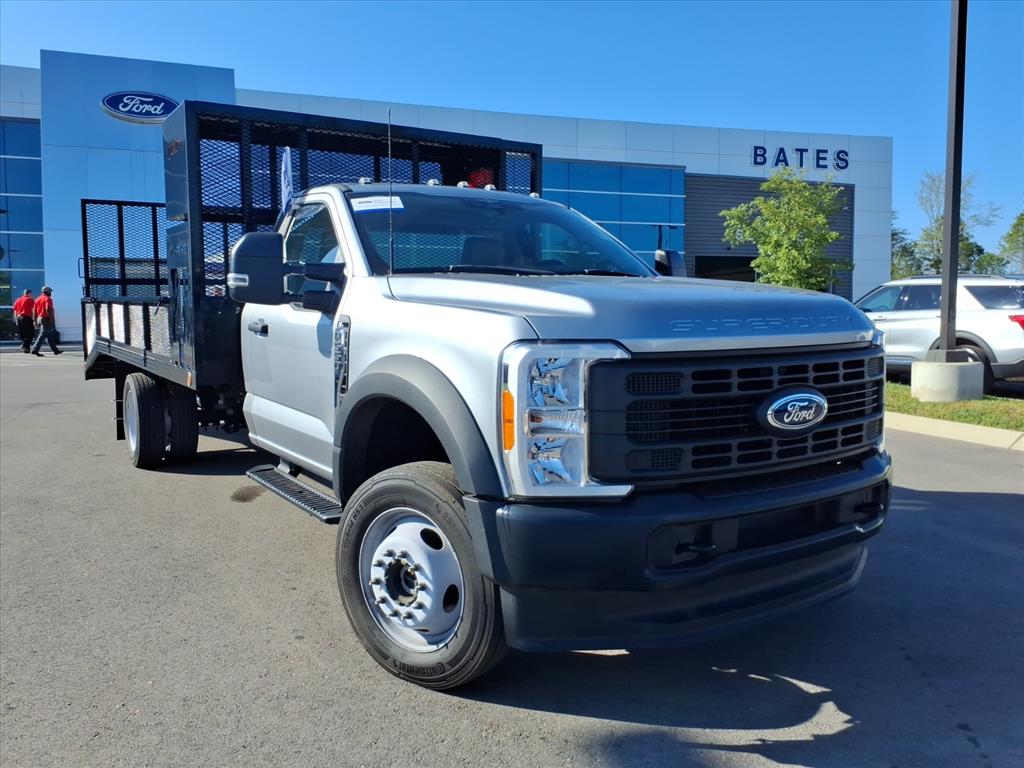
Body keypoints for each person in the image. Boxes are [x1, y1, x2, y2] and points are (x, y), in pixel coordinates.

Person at [31, 286, 62, 357]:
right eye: (50, 292)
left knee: (49, 335)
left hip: (39, 318)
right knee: (42, 335)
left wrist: (35, 320)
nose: (51, 293)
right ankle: (35, 349)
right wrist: (51, 318)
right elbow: (48, 308)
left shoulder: (37, 299)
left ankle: (56, 350)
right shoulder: (48, 299)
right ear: (47, 292)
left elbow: (34, 311)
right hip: (46, 318)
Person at [12, 289, 35, 353]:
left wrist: (16, 320)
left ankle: (26, 349)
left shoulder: (18, 300)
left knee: (23, 335)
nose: (31, 295)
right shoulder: (30, 299)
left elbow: (15, 311)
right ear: (29, 293)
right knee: (31, 334)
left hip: (19, 318)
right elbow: (33, 310)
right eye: (31, 293)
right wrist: (34, 319)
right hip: (27, 318)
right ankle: (24, 345)